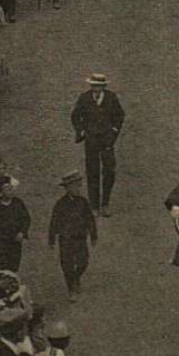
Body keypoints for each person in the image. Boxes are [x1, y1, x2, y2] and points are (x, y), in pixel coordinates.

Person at [69, 72, 125, 216]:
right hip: (91, 140)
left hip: (107, 140)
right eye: (94, 86)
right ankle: (94, 206)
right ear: (91, 86)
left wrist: (113, 131)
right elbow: (75, 116)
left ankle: (105, 203)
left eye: (99, 86)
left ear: (104, 87)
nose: (96, 89)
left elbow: (119, 115)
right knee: (92, 171)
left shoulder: (111, 98)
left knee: (109, 171)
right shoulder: (85, 98)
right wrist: (81, 130)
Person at [48, 171, 98, 301]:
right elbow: (54, 221)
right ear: (68, 188)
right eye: (75, 186)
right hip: (65, 240)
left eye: (79, 185)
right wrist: (52, 239)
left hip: (80, 238)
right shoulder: (60, 204)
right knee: (67, 265)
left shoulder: (83, 202)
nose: (78, 188)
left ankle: (76, 278)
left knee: (83, 262)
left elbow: (90, 219)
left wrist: (93, 235)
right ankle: (71, 289)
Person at [0, 175, 30, 273]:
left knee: (14, 267)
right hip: (0, 244)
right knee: (1, 268)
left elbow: (26, 219)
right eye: (7, 189)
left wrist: (22, 232)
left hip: (15, 242)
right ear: (0, 192)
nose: (11, 191)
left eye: (11, 188)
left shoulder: (18, 203)